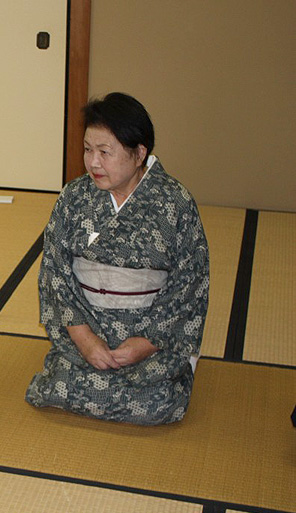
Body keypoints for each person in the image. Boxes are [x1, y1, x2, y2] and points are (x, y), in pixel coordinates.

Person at [26, 93, 209, 425]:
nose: (93, 163)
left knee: (155, 406)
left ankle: (172, 367)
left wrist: (147, 342)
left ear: (139, 153)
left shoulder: (175, 203)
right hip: (87, 331)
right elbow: (55, 273)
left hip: (147, 337)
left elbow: (188, 285)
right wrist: (84, 340)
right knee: (56, 391)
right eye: (87, 150)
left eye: (105, 152)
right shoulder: (73, 197)